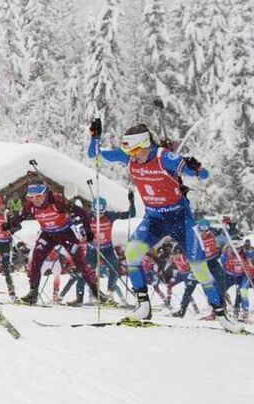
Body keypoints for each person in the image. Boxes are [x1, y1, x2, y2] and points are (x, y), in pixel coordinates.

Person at [87, 120, 241, 332]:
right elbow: (94, 155)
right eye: (128, 151)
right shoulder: (129, 158)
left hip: (180, 220)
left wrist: (195, 167)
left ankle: (222, 315)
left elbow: (203, 175)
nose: (131, 155)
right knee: (132, 253)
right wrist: (94, 136)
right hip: (154, 220)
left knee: (199, 267)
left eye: (134, 150)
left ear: (145, 145)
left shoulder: (165, 158)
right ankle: (143, 306)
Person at [4, 182, 103, 305]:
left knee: (80, 262)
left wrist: (88, 231)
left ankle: (96, 292)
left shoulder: (57, 201)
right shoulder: (30, 205)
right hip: (47, 234)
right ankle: (33, 293)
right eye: (32, 197)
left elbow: (81, 213)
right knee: (36, 260)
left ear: (45, 193)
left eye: (38, 196)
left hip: (65, 233)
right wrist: (9, 224)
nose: (35, 200)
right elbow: (20, 217)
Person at [69, 194, 136, 306]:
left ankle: (110, 293)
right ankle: (79, 298)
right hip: (92, 250)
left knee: (114, 267)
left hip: (107, 248)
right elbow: (72, 222)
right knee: (83, 273)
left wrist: (131, 202)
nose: (98, 215)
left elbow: (131, 214)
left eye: (101, 213)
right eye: (96, 212)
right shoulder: (87, 216)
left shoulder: (111, 215)